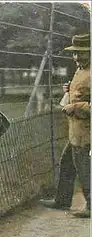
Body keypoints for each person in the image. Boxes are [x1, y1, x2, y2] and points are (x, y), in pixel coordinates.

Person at [40, 33, 90, 219]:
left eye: (82, 53)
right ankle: (62, 200)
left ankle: (90, 205)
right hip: (76, 130)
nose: (77, 57)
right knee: (67, 163)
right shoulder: (80, 69)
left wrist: (75, 106)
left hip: (87, 131)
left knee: (84, 167)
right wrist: (70, 91)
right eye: (75, 53)